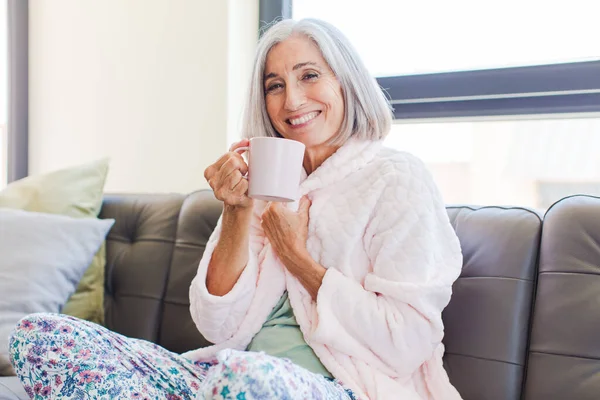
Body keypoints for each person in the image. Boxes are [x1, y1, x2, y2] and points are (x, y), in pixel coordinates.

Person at [9, 18, 463, 400]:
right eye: (275, 85)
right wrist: (237, 210)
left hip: (343, 387)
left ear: (345, 81)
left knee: (246, 379)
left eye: (309, 76)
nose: (293, 101)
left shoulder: (396, 179)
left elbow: (407, 341)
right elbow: (215, 325)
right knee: (43, 338)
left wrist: (299, 260)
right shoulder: (267, 182)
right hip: (228, 378)